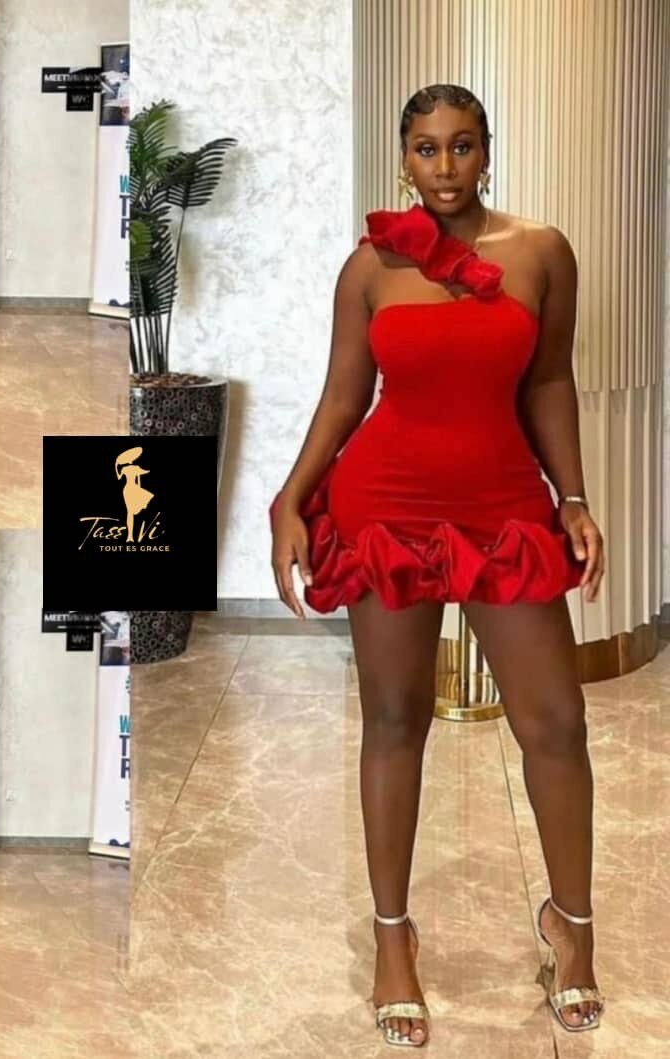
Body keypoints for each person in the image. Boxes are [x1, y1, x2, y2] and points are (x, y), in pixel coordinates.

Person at [269, 84, 606, 1048]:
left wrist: (572, 498)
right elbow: (344, 396)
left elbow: (550, 379)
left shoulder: (541, 252)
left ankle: (572, 929)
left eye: (462, 146)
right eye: (426, 148)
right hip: (386, 506)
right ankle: (393, 938)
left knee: (556, 722)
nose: (445, 166)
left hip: (503, 506)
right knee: (393, 719)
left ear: (487, 151)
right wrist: (291, 499)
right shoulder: (370, 266)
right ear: (404, 157)